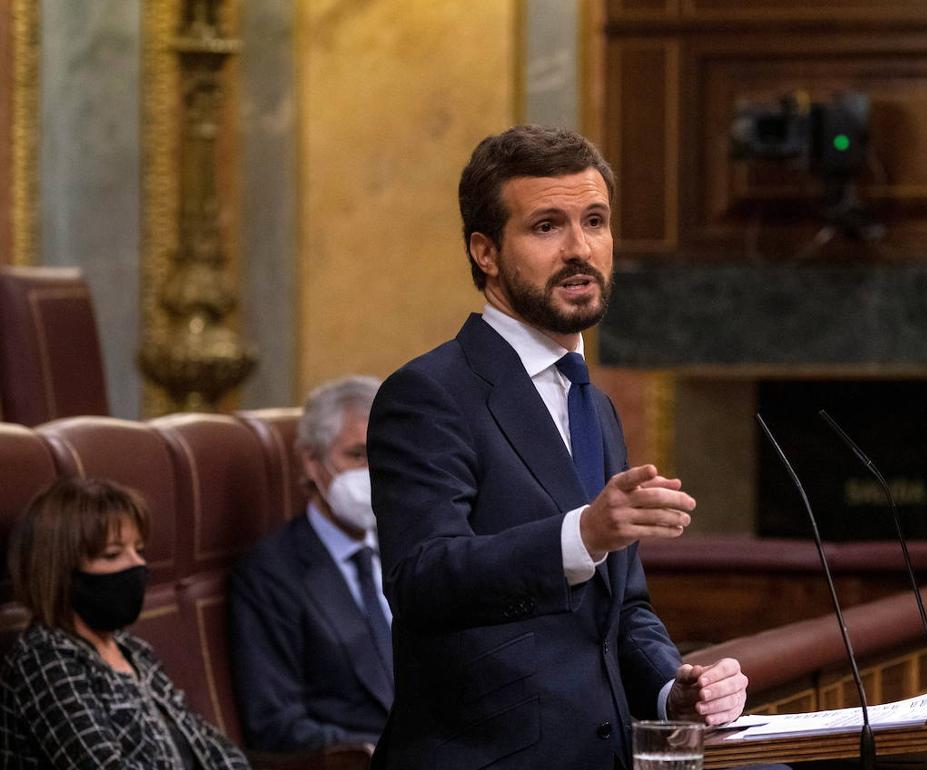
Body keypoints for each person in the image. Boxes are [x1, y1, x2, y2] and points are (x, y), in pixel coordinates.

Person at [366, 125, 751, 769]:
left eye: (595, 221)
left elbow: (622, 605)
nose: (580, 250)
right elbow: (422, 578)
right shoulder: (428, 393)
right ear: (485, 251)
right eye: (547, 226)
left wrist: (669, 690)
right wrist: (583, 535)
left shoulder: (593, 404)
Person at [0, 476, 250, 770]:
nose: (138, 565)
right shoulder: (45, 659)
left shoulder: (133, 649)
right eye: (113, 554)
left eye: (139, 550)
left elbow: (210, 745)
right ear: (61, 571)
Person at [229, 375, 392, 751]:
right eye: (357, 455)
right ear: (312, 462)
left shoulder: (410, 545)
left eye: (384, 455)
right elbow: (275, 723)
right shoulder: (271, 573)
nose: (375, 472)